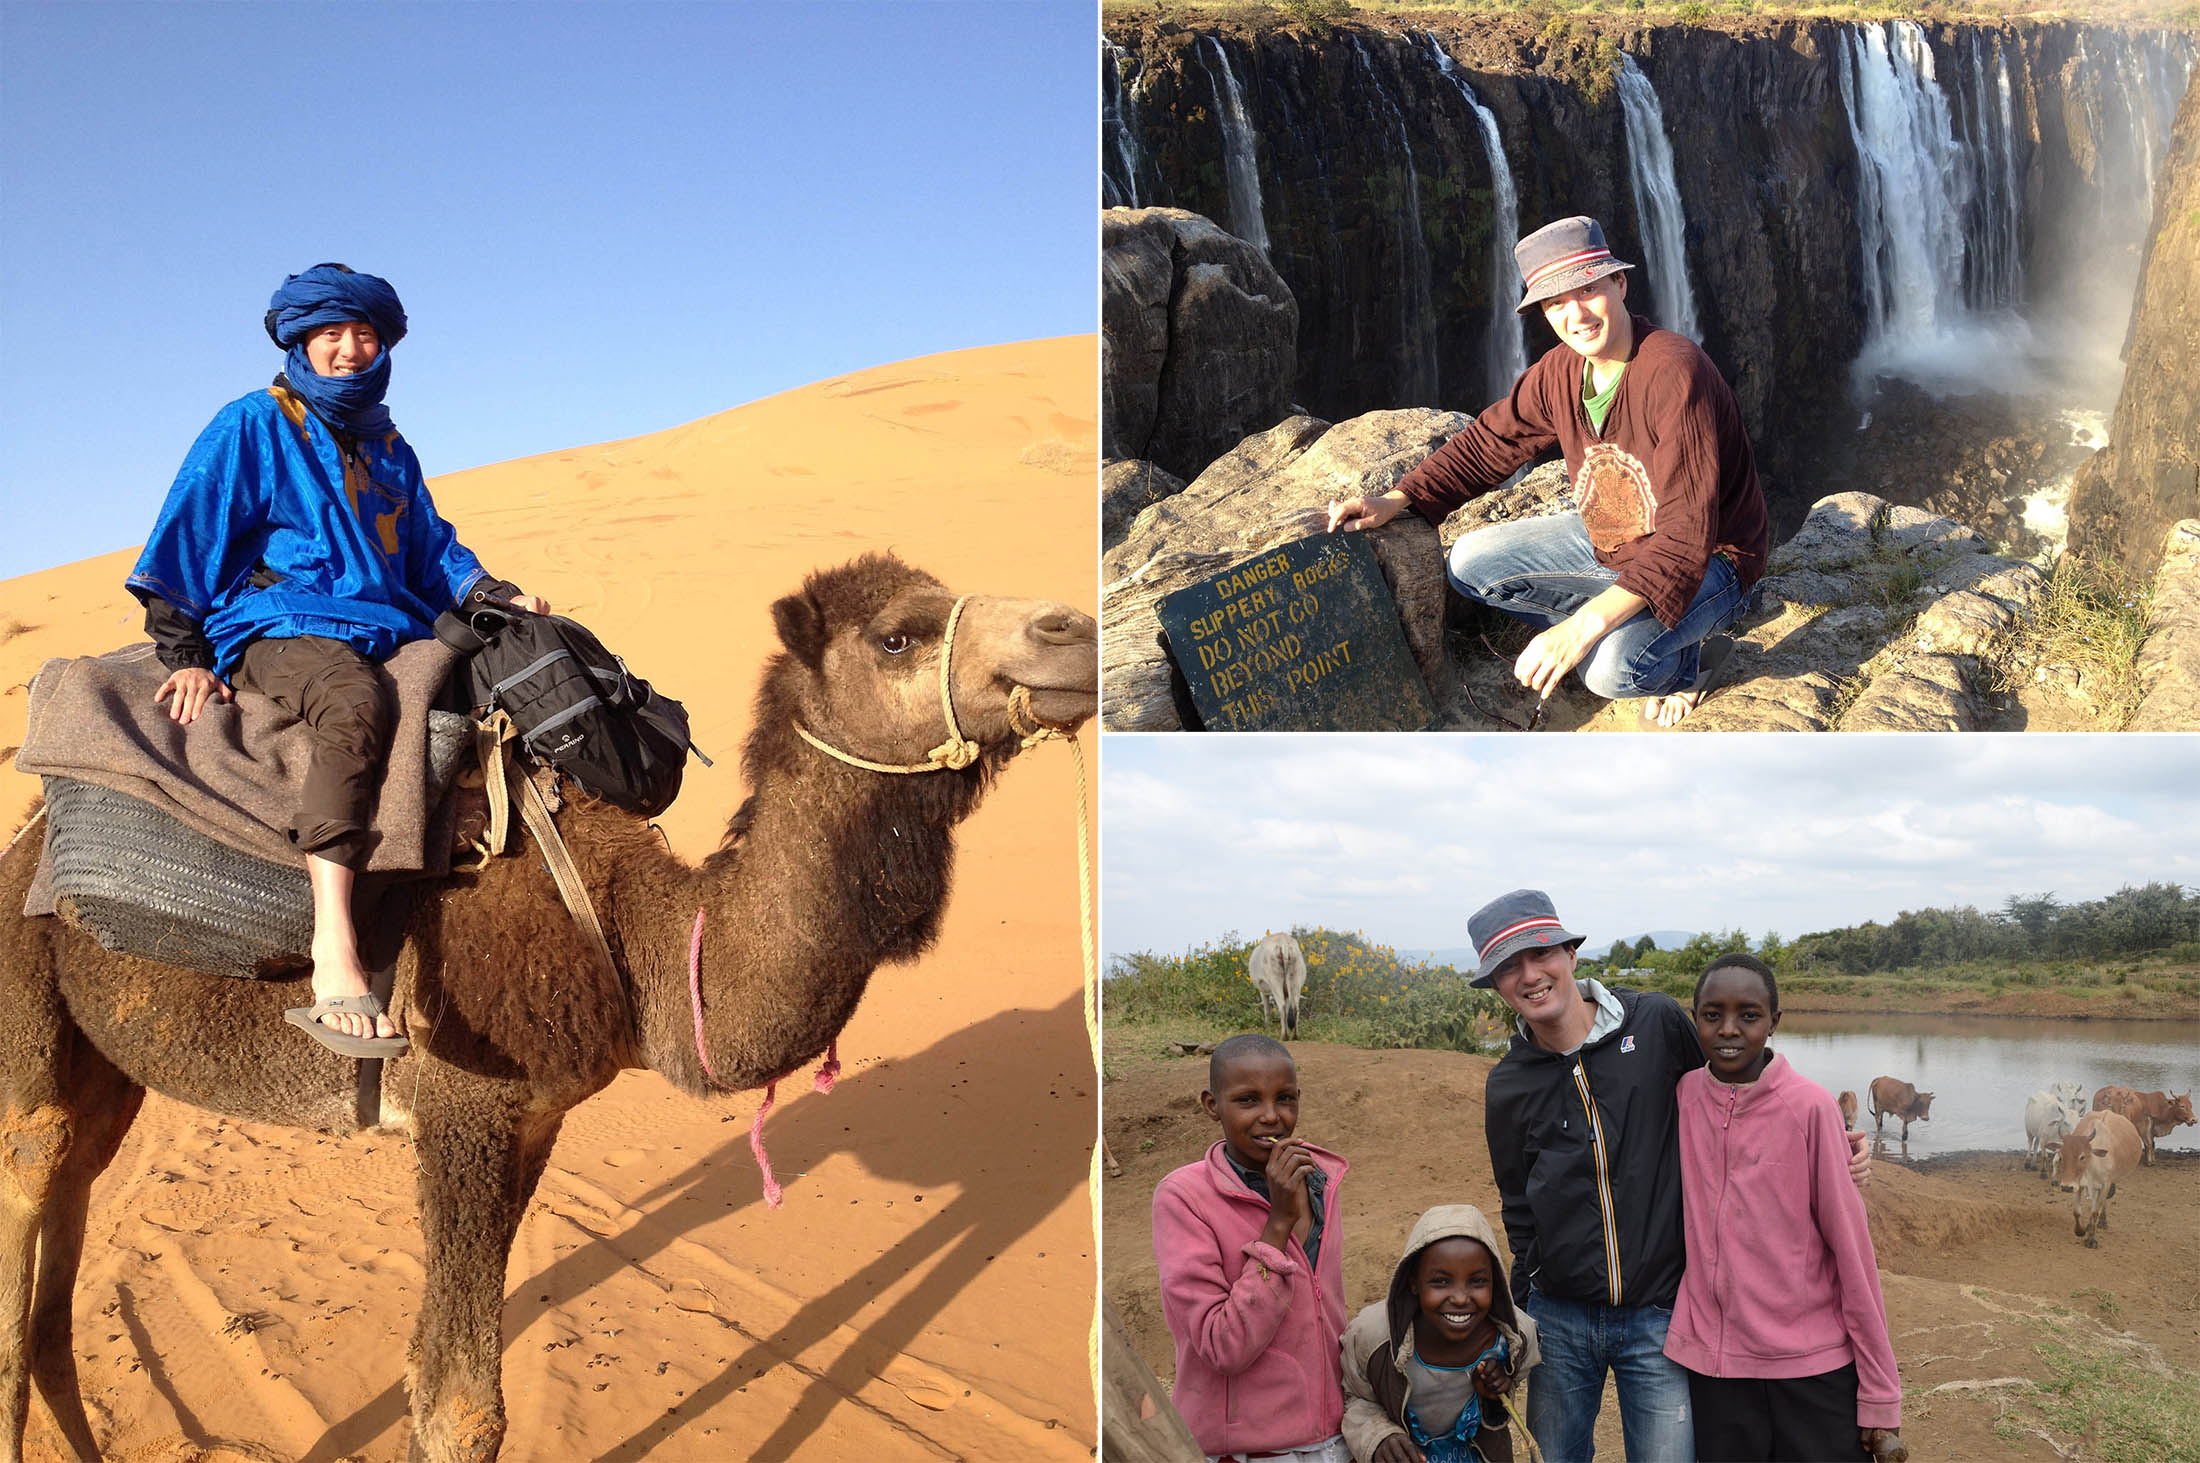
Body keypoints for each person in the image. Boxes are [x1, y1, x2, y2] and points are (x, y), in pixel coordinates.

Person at [125, 263, 546, 1057]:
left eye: (365, 335)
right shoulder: (253, 423)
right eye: (332, 335)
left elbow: (432, 550)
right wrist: (182, 652)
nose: (350, 349)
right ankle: (333, 950)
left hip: (384, 620)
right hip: (278, 620)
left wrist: (494, 592)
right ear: (301, 342)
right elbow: (188, 529)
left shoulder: (390, 445)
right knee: (356, 704)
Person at [1469, 889, 1870, 1463]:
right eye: (1509, 969)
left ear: (1570, 955)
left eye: (1541, 955)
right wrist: (1531, 1290)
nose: (1530, 976)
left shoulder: (1654, 1021)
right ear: (1497, 985)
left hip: (1659, 1313)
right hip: (1559, 1318)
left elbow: (1733, 1087)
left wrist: (1830, 1133)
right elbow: (1517, 1200)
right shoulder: (1509, 1083)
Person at [1325, 216, 1769, 726]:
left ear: (1620, 283)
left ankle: (1688, 664)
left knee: (1612, 671)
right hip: (1618, 541)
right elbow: (1493, 440)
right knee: (1471, 562)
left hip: (1716, 559)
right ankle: (1634, 618)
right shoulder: (1560, 371)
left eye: (1589, 290)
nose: (1576, 314)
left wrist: (1579, 629)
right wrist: (1401, 499)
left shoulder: (1673, 371)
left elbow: (1685, 537)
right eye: (1556, 303)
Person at [1666, 954, 1905, 1463]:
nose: (1729, 1029)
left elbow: (1853, 1252)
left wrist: (1881, 1394)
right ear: (1694, 1018)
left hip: (1809, 1367)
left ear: (1774, 1022)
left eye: (1749, 1016)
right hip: (1717, 1368)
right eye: (1712, 1015)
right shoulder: (1684, 1097)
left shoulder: (1810, 1108)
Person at [1152, 1033, 1351, 1463]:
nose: (1271, 1117)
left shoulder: (1320, 1181)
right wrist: (1278, 1223)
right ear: (1212, 1105)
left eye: (1285, 1099)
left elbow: (1326, 1311)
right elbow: (1223, 1347)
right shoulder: (1184, 1198)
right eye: (1247, 1100)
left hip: (1332, 1441)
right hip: (1248, 1450)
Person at [1340, 1204, 1540, 1463]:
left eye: (1477, 1281)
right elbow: (1355, 1399)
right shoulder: (1374, 1338)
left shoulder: (1514, 1337)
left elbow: (1510, 1387)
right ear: (1413, 1282)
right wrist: (1379, 1437)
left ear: (1496, 1283)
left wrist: (1495, 1395)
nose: (1459, 1298)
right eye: (1441, 1281)